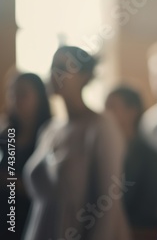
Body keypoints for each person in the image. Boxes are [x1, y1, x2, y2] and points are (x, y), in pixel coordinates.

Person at [22, 46, 131, 240]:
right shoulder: (49, 129)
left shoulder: (101, 127)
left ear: (85, 76)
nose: (55, 74)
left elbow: (108, 204)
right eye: (52, 67)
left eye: (63, 67)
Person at [0, 73, 52, 239]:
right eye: (12, 94)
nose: (16, 100)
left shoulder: (50, 135)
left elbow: (53, 188)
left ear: (39, 97)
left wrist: (11, 182)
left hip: (34, 220)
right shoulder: (6, 134)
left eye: (23, 94)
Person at [105, 86, 157, 231]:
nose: (105, 114)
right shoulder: (106, 152)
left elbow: (148, 209)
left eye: (112, 107)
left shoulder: (150, 158)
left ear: (132, 111)